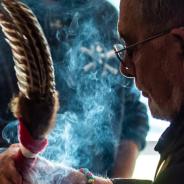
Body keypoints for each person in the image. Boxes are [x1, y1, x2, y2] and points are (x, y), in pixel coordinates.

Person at [3, 0, 184, 183]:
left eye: (133, 49)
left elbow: (133, 117)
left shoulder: (104, 15)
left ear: (180, 45)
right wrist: (76, 179)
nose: (125, 69)